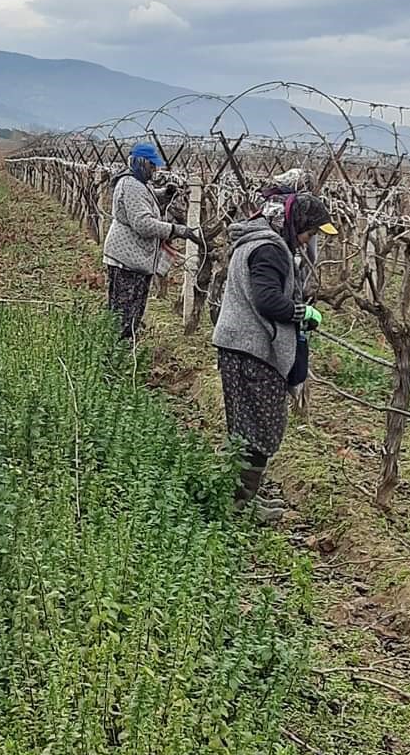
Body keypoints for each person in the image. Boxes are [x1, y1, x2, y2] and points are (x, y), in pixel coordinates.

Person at [212, 190, 337, 521]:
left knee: (245, 427)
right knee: (264, 429)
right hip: (253, 351)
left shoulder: (256, 240)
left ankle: (238, 500)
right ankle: (239, 508)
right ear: (297, 223)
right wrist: (302, 312)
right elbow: (267, 300)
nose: (307, 241)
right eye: (309, 232)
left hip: (239, 346)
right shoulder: (269, 249)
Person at [103, 142, 200, 340]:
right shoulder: (131, 185)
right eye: (152, 165)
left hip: (132, 259)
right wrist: (176, 230)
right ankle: (117, 353)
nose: (155, 169)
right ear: (141, 163)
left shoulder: (137, 183)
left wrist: (165, 194)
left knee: (130, 311)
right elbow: (143, 224)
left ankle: (120, 350)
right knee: (125, 313)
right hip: (127, 260)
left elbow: (145, 199)